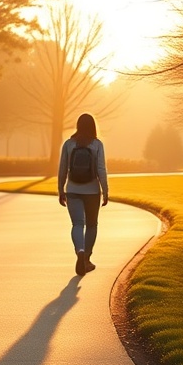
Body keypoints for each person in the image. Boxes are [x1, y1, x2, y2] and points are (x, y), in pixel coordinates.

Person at [58, 113, 109, 276]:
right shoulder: (97, 144)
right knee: (92, 225)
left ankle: (79, 250)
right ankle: (86, 258)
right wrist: (105, 190)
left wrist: (61, 189)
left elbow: (62, 168)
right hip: (92, 191)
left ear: (78, 126)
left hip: (72, 190)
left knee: (77, 224)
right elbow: (101, 169)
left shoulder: (69, 144)